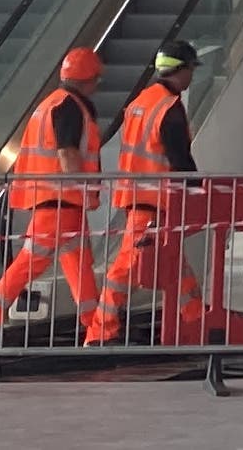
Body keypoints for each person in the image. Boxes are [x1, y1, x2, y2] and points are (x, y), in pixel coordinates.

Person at [85, 38, 213, 343]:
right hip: (154, 200)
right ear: (179, 71)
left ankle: (196, 318)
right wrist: (198, 191)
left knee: (173, 263)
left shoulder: (141, 101)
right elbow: (180, 158)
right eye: (190, 70)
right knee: (126, 267)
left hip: (138, 196)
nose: (192, 77)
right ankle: (100, 332)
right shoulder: (169, 107)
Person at [0, 46, 104, 335]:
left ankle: (96, 328)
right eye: (97, 79)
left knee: (78, 265)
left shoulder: (52, 103)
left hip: (57, 202)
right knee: (31, 263)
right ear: (89, 79)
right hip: (60, 201)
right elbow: (67, 155)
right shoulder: (69, 106)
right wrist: (85, 184)